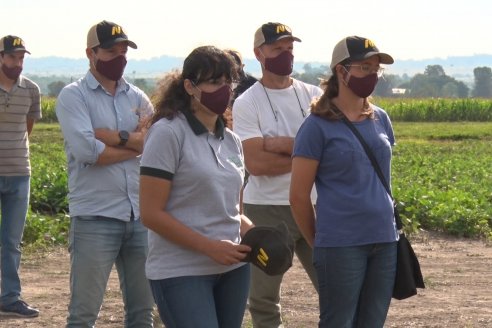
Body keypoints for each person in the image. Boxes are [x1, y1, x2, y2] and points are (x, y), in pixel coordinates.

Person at [139, 45, 254, 328]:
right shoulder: (167, 133)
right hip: (181, 270)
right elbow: (151, 213)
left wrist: (255, 233)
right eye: (214, 82)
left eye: (229, 82)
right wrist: (209, 247)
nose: (224, 90)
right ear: (190, 86)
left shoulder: (231, 140)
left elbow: (233, 210)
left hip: (233, 269)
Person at [289, 35, 398, 327]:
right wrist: (319, 242)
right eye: (363, 68)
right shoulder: (316, 126)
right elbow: (298, 195)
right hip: (341, 244)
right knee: (339, 322)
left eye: (376, 69)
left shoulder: (380, 118)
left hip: (385, 239)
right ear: (341, 71)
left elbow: (381, 176)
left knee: (372, 321)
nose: (371, 75)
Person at [55, 20, 154, 327]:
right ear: (91, 53)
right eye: (111, 52)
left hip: (138, 217)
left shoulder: (137, 97)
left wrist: (111, 136)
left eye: (123, 51)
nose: (119, 58)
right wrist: (133, 141)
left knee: (142, 313)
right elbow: (88, 153)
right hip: (94, 218)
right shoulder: (73, 96)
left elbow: (152, 146)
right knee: (84, 314)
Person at [232, 22, 322, 328]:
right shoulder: (247, 102)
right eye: (277, 49)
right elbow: (256, 163)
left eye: (289, 48)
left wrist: (280, 145)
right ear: (259, 53)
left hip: (312, 205)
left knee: (333, 285)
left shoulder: (315, 96)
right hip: (265, 209)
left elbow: (331, 153)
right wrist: (309, 155)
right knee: (263, 298)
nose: (285, 54)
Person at [0, 35, 41, 318]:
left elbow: (28, 128)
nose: (18, 63)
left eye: (21, 58)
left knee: (12, 241)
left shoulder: (31, 90)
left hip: (19, 174)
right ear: (0, 57)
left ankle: (10, 298)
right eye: (13, 57)